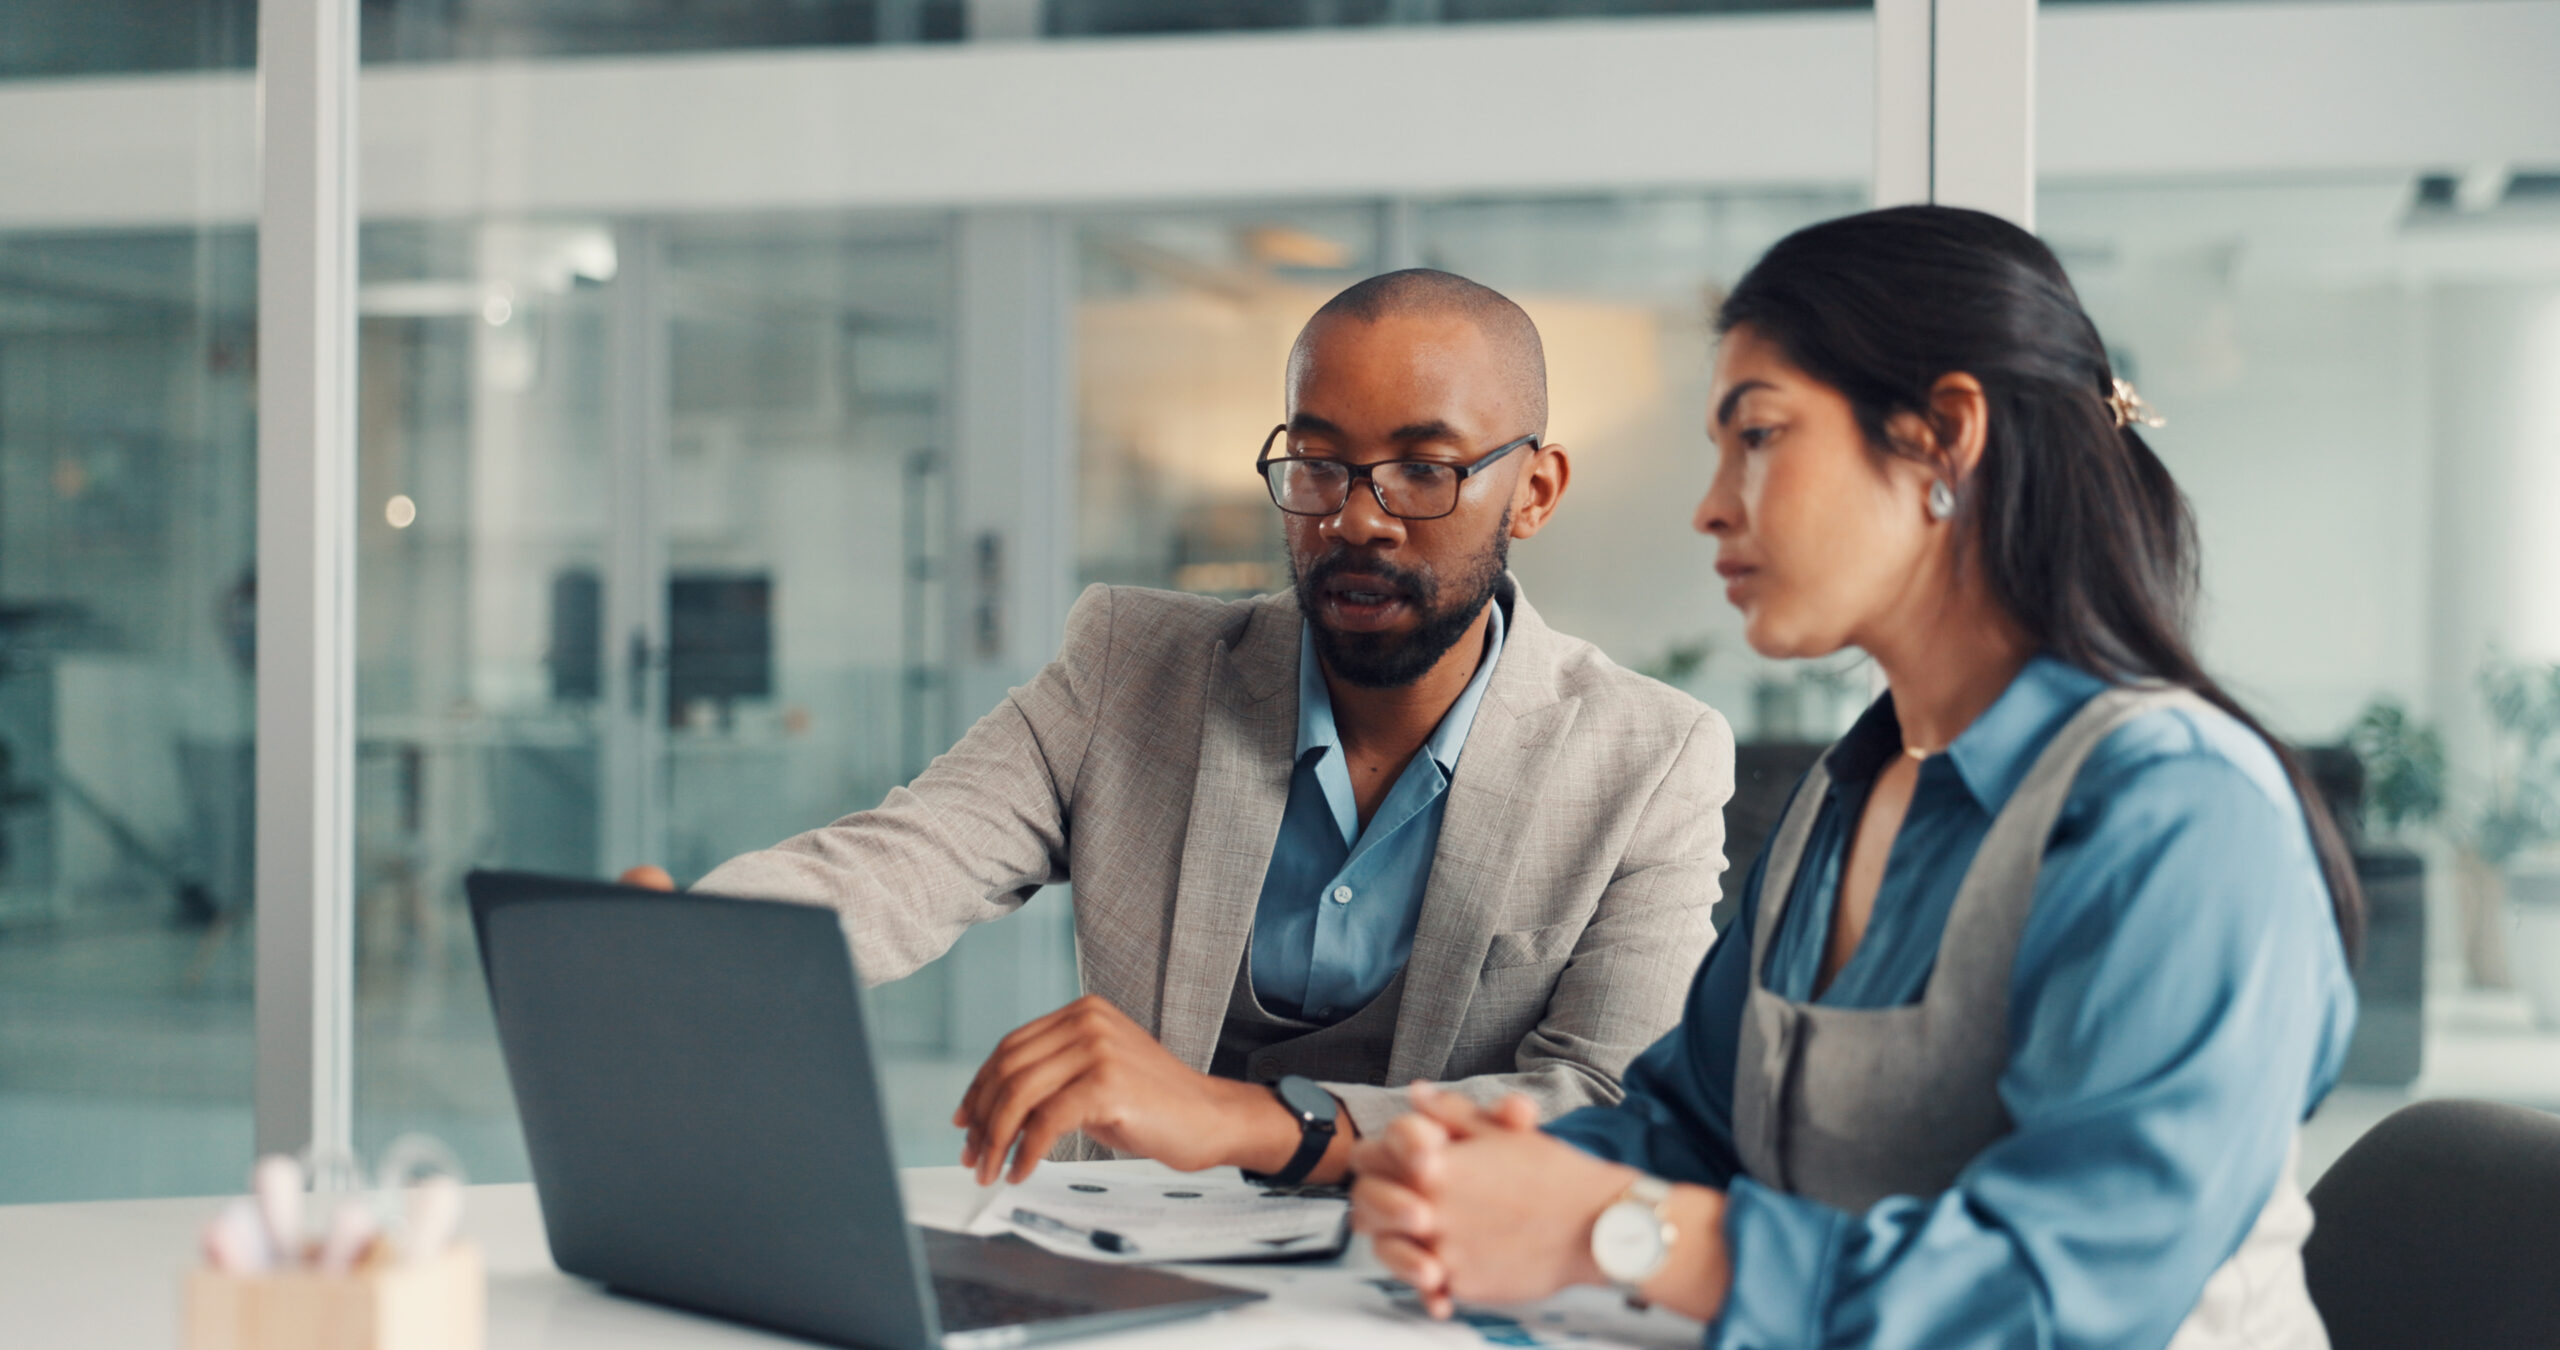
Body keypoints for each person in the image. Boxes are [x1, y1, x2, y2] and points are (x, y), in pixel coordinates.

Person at [1350, 207, 2362, 1349]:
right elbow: (1693, 1135)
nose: (1712, 504)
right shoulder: (1845, 792)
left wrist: (1613, 1230)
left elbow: (2055, 1298)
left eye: (1761, 436)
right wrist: (1480, 1173)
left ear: (1942, 435)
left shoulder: (2182, 815)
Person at [626, 268, 1734, 1189]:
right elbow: (904, 861)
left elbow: (1600, 1100)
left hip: (1435, 1289)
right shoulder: (1132, 663)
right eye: (1316, 463)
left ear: (1532, 493)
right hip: (1117, 1264)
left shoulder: (1652, 758)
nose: (1355, 517)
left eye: (1421, 470)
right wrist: (706, 942)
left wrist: (1253, 1123)